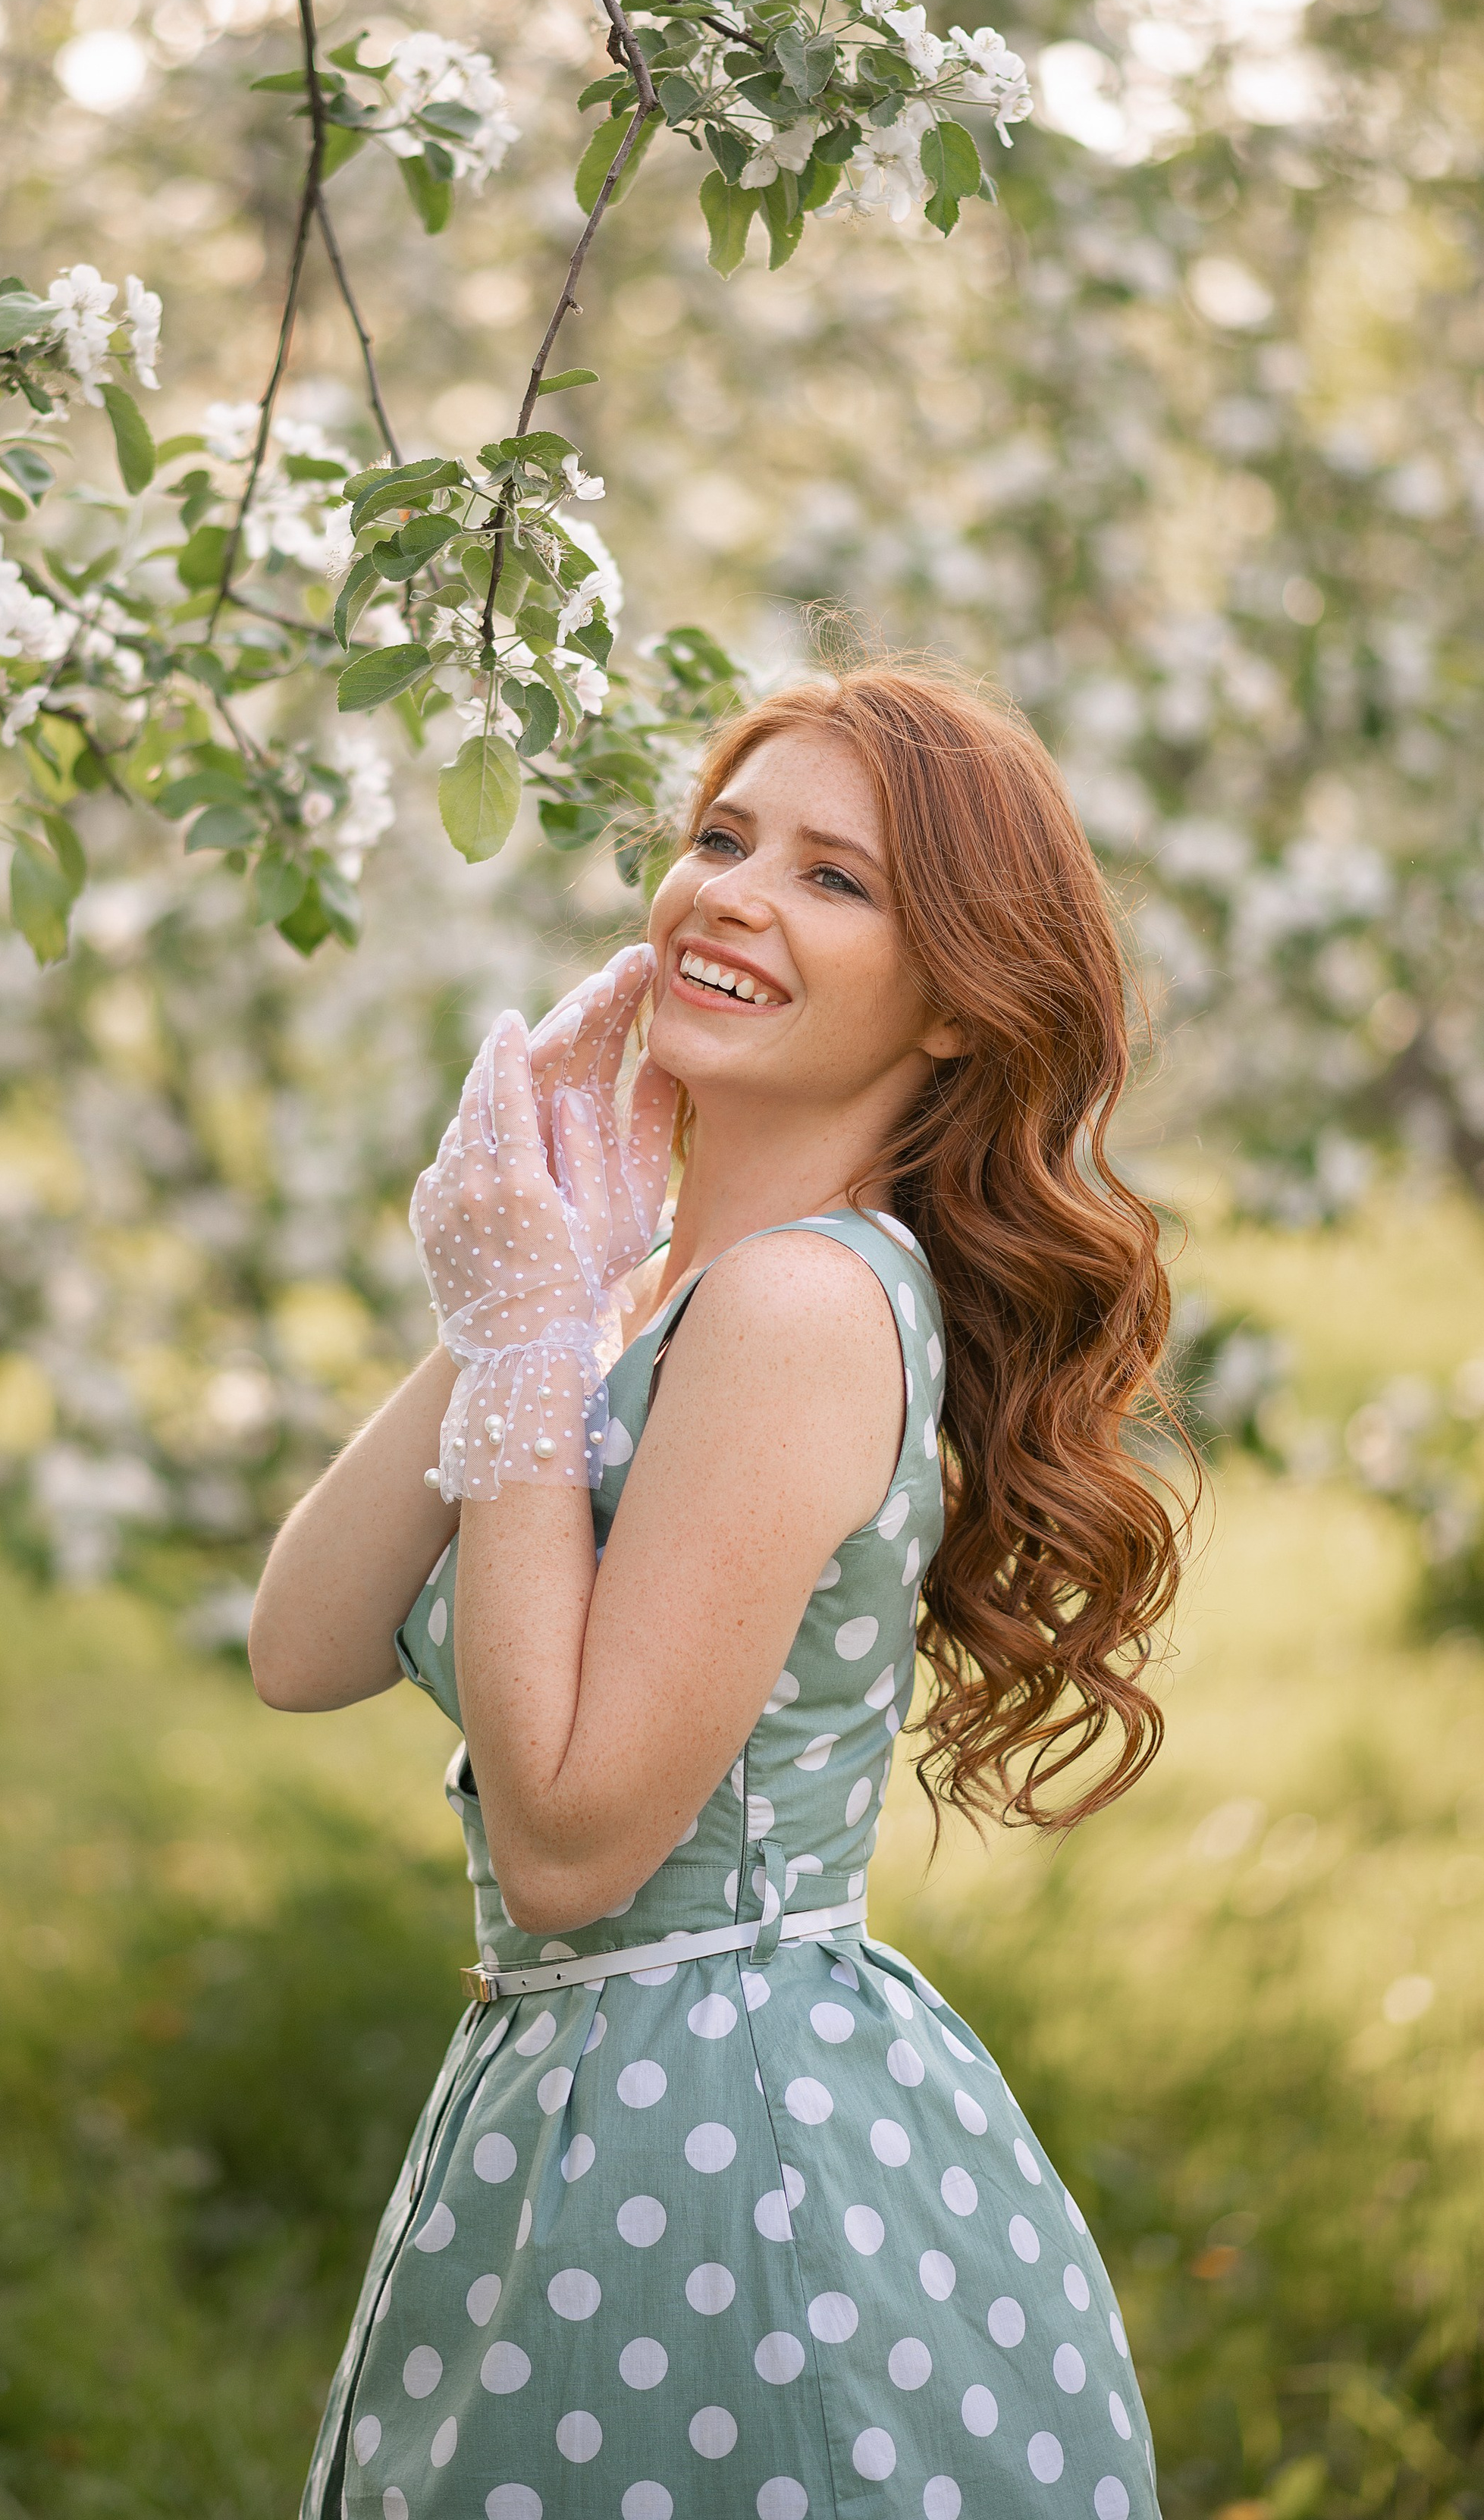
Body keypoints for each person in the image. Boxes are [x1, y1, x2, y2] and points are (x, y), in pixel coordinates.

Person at [250, 663, 1194, 2520]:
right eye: (719, 837)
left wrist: (533, 1334)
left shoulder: (797, 1308)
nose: (733, 894)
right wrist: (535, 1279)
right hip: (589, 2104)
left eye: (837, 880)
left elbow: (573, 1845)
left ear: (949, 1007)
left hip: (725, 2146)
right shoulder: (662, 1293)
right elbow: (302, 1643)